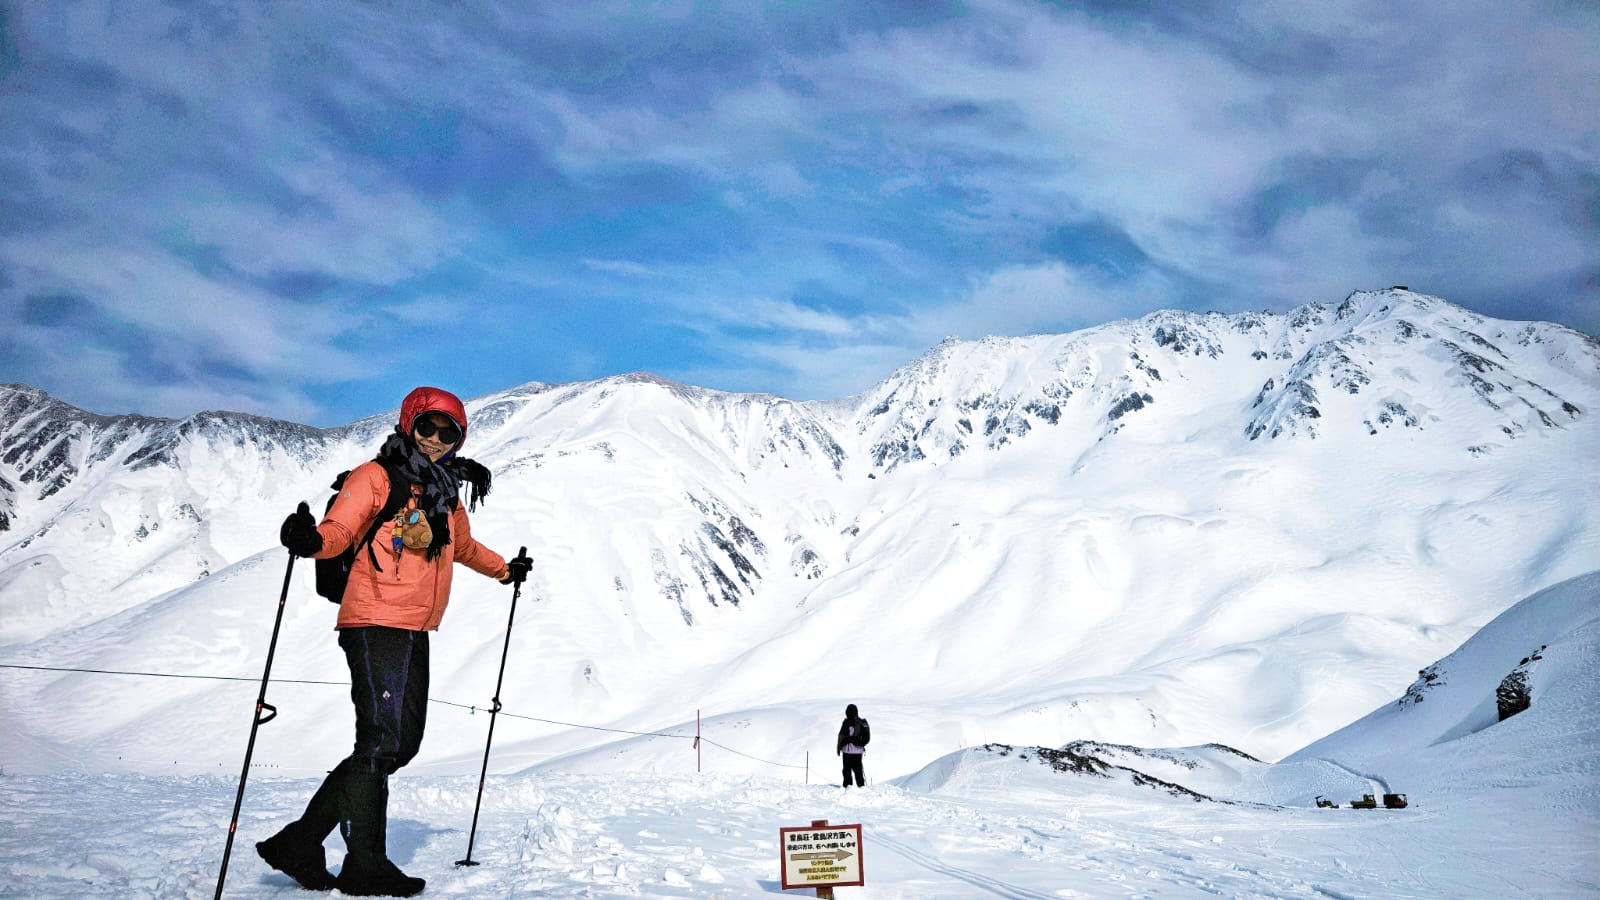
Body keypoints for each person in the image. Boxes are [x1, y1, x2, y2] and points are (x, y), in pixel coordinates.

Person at [256, 386, 532, 897]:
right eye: (428, 427)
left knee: (399, 744)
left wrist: (504, 572)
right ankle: (366, 864)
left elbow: (463, 547)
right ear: (409, 424)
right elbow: (339, 529)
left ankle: (300, 842)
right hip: (374, 622)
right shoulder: (376, 476)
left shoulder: (444, 490)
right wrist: (311, 540)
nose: (436, 440)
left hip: (413, 628)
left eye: (449, 432)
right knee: (381, 742)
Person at [836, 704, 869, 788]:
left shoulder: (846, 722)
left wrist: (840, 747)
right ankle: (861, 787)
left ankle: (848, 788)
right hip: (858, 752)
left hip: (847, 752)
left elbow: (841, 736)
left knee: (847, 771)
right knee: (858, 771)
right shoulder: (862, 722)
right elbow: (867, 738)